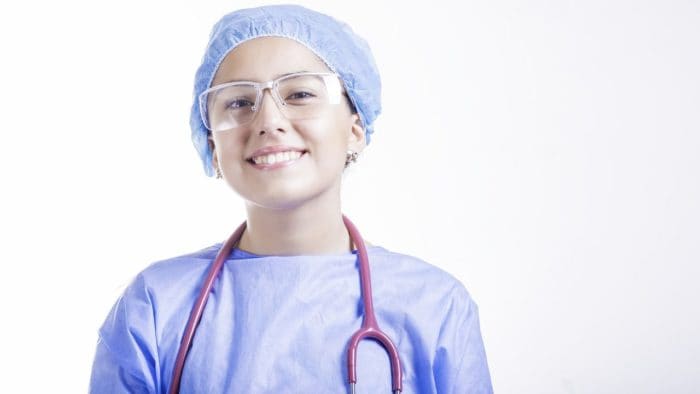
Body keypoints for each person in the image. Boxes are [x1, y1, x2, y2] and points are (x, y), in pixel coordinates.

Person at [89, 4, 493, 393]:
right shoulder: (155, 308)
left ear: (356, 128)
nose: (268, 122)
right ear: (212, 144)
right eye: (239, 102)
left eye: (299, 94)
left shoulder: (436, 307)